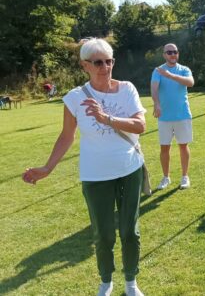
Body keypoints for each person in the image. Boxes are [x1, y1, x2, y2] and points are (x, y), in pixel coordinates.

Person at [22, 38, 146, 296]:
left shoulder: (127, 89)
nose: (106, 67)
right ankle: (105, 281)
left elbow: (140, 125)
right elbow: (66, 136)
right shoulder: (75, 98)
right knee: (103, 235)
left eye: (109, 61)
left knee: (129, 231)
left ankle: (131, 282)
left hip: (129, 168)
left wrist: (106, 118)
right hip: (95, 174)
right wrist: (47, 168)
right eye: (98, 62)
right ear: (84, 65)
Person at [151, 43, 194, 190]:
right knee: (164, 148)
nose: (172, 54)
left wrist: (170, 75)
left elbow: (190, 82)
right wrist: (156, 103)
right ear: (164, 54)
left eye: (175, 52)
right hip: (164, 117)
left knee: (183, 146)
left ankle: (184, 177)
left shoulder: (184, 70)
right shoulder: (158, 71)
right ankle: (166, 177)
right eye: (169, 52)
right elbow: (154, 88)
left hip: (182, 114)